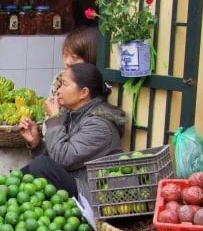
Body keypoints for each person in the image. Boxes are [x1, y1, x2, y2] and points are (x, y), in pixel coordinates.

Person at [20, 63, 126, 197]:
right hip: (72, 180)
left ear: (84, 93)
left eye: (64, 84)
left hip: (90, 194)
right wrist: (36, 143)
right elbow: (54, 156)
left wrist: (53, 118)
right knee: (22, 174)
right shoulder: (69, 114)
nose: (58, 90)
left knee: (40, 166)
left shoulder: (100, 125)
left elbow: (62, 159)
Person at [49, 27, 99, 99]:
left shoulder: (98, 88)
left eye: (74, 57)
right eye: (65, 55)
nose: (67, 62)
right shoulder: (59, 79)